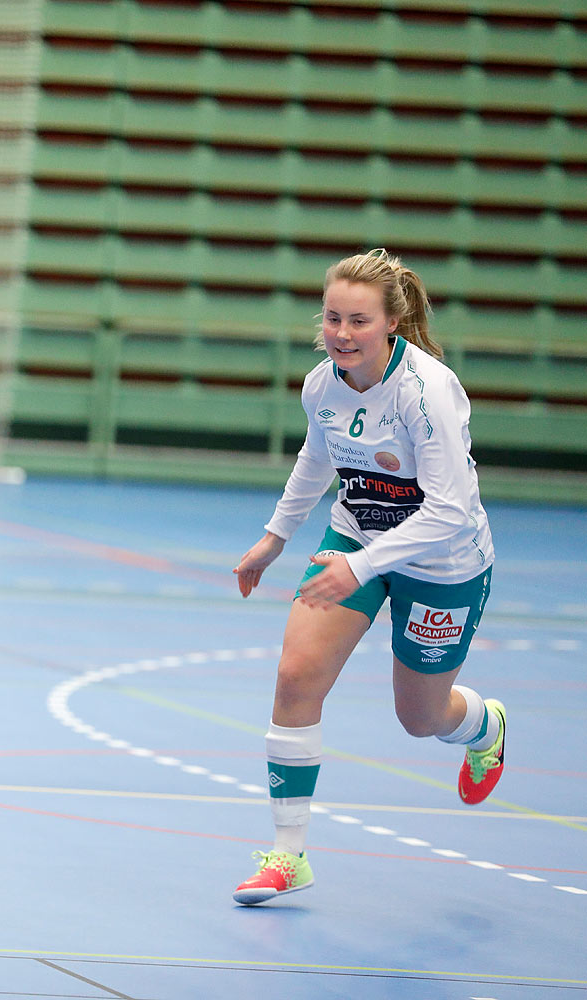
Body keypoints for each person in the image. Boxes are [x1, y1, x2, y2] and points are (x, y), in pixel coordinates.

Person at [230, 249, 504, 905]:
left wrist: (359, 564)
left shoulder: (427, 392)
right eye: (332, 319)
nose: (342, 334)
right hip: (356, 537)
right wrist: (275, 537)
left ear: (392, 323)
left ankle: (485, 727)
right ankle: (287, 856)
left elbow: (448, 512)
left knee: (422, 716)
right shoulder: (322, 384)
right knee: (296, 676)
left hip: (442, 563)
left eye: (358, 321)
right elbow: (318, 455)